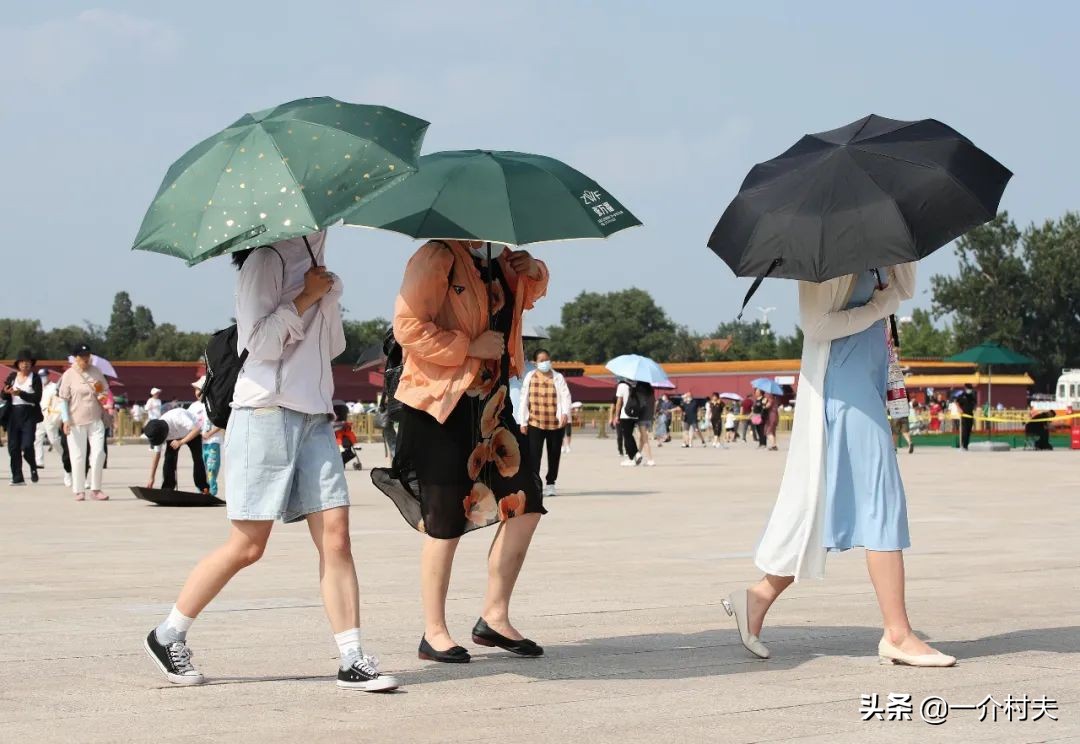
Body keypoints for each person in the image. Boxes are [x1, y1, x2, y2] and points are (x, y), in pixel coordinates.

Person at [144, 231, 398, 692]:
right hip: (265, 413)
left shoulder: (318, 258)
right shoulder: (266, 259)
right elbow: (258, 343)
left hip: (316, 416)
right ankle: (168, 634)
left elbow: (333, 347)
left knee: (337, 539)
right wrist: (305, 297)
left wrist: (328, 295)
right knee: (248, 545)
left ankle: (351, 657)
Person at [725, 263, 955, 668]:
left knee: (825, 506)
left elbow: (906, 290)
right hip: (843, 384)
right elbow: (815, 327)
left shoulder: (876, 246)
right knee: (881, 496)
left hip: (867, 377)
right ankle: (897, 634)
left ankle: (757, 598)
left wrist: (899, 256)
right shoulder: (824, 258)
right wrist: (877, 306)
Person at [371, 239, 549, 665]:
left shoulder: (501, 258)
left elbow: (525, 301)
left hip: (492, 406)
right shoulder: (438, 256)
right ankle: (434, 632)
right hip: (442, 405)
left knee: (526, 501)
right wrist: (466, 346)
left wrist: (534, 271)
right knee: (445, 516)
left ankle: (495, 616)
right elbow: (408, 328)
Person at [58, 344, 109, 501]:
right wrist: (65, 420)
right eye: (82, 356)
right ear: (76, 358)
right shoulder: (68, 375)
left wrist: (100, 393)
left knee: (99, 453)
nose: (86, 359)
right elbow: (63, 399)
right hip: (75, 421)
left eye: (87, 355)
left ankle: (96, 489)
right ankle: (79, 489)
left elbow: (104, 393)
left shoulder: (96, 372)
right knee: (78, 455)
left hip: (95, 419)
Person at [519, 349, 573, 497]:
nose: (545, 363)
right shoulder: (530, 377)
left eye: (547, 359)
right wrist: (523, 422)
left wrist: (565, 414)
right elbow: (524, 399)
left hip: (555, 424)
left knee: (554, 454)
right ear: (535, 363)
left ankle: (551, 483)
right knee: (534, 456)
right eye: (541, 360)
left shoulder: (558, 377)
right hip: (535, 423)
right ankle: (536, 485)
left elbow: (566, 396)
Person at [143, 406, 209, 493]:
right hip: (174, 436)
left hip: (191, 432)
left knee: (197, 458)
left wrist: (181, 442)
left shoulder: (178, 417)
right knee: (169, 459)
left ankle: (203, 487)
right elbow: (157, 454)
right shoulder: (156, 431)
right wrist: (152, 477)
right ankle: (167, 488)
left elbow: (197, 430)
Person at [3, 350, 43, 486]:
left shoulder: (35, 378)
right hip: (13, 414)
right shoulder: (12, 376)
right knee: (13, 447)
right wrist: (7, 392)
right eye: (22, 362)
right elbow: (3, 395)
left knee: (27, 445)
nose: (25, 364)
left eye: (28, 362)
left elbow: (37, 398)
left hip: (29, 414)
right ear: (18, 364)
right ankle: (17, 477)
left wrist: (20, 393)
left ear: (31, 364)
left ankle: (33, 466)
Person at [188, 377, 224, 496]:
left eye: (200, 389)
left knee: (211, 468)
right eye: (196, 390)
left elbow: (223, 421)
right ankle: (202, 490)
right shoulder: (193, 407)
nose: (197, 393)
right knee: (201, 468)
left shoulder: (215, 404)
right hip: (200, 443)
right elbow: (188, 424)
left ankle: (212, 492)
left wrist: (211, 433)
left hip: (213, 441)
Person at [34, 369, 62, 469]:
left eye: (44, 375)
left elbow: (59, 402)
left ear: (48, 375)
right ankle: (39, 461)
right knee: (38, 438)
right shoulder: (37, 387)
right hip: (40, 415)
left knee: (53, 440)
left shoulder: (54, 387)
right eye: (41, 376)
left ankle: (64, 456)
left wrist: (57, 415)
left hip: (50, 415)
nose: (42, 378)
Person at [612, 378, 641, 465]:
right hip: (635, 413)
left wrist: (616, 415)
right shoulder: (636, 384)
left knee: (627, 436)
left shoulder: (622, 385)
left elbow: (619, 402)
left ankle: (632, 458)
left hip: (625, 414)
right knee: (630, 435)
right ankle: (636, 454)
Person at [956, 383, 977, 451]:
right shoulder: (962, 395)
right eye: (968, 389)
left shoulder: (972, 396)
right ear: (966, 389)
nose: (969, 390)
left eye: (970, 389)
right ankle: (961, 445)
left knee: (968, 431)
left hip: (970, 415)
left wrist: (974, 408)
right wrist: (959, 409)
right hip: (964, 416)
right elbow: (957, 402)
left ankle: (966, 446)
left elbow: (974, 403)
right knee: (964, 431)